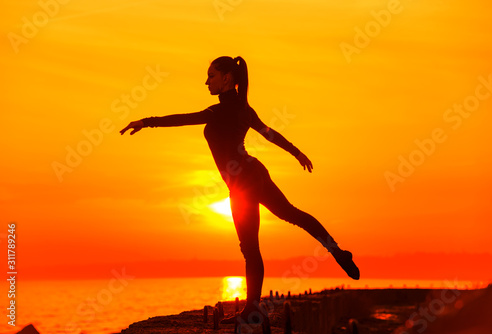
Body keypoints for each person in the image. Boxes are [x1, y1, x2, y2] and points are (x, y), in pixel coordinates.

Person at [120, 56, 360, 324]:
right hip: (255, 171)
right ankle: (337, 251)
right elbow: (270, 134)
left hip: (242, 183)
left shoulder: (219, 111)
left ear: (227, 79)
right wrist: (296, 152)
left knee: (250, 247)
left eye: (211, 75)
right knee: (291, 214)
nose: (206, 81)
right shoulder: (244, 109)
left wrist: (146, 121)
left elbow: (185, 119)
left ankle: (253, 307)